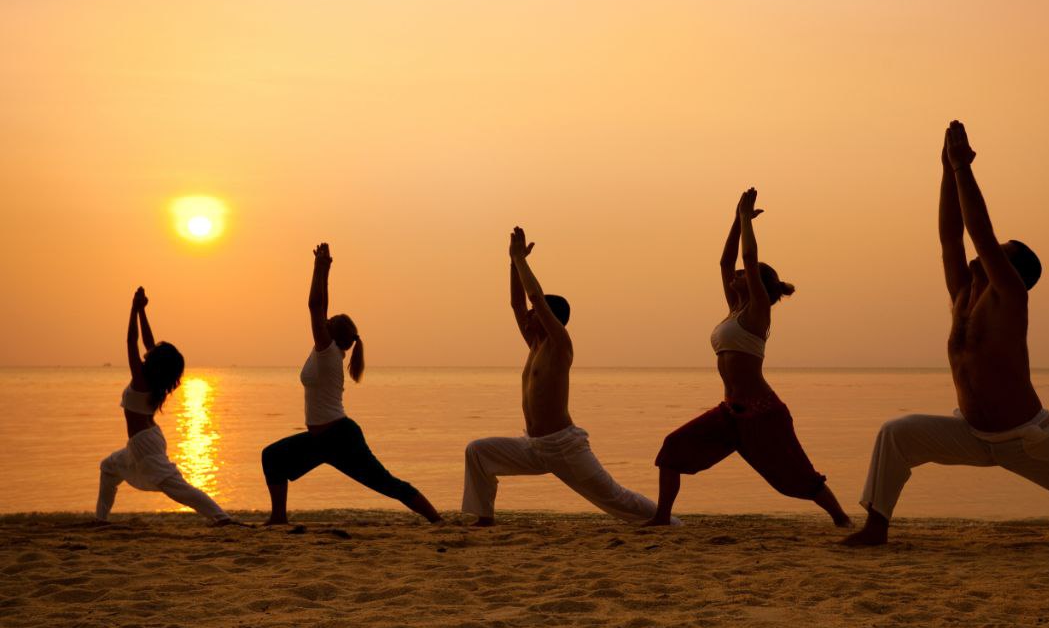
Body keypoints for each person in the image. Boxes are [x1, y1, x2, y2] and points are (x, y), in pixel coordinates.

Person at [842, 121, 1049, 546]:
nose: (981, 256)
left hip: (1027, 440)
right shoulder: (964, 295)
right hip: (972, 433)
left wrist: (964, 168)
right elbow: (950, 237)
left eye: (998, 256)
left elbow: (979, 235)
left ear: (1012, 274)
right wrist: (946, 171)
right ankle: (875, 529)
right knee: (897, 433)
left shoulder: (1009, 298)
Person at [643, 188, 853, 527]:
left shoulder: (757, 311)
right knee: (672, 450)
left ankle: (841, 518)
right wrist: (735, 221)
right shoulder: (733, 309)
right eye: (737, 275)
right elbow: (726, 262)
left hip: (763, 415)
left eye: (743, 275)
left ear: (758, 285)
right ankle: (662, 517)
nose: (736, 275)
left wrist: (746, 219)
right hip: (730, 414)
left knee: (797, 478)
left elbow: (749, 261)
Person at [461, 227, 667, 526]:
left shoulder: (559, 344)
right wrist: (511, 262)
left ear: (549, 318)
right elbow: (518, 304)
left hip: (563, 446)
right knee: (478, 451)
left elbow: (535, 299)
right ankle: (484, 519)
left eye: (535, 313)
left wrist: (521, 261)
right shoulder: (536, 344)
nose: (528, 316)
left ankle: (667, 521)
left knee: (615, 497)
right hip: (534, 446)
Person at [261, 243, 441, 525]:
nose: (324, 320)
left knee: (386, 483)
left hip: (340, 438)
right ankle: (278, 518)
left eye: (328, 322)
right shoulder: (328, 350)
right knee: (273, 457)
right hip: (322, 439)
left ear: (332, 333)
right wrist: (327, 270)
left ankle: (437, 520)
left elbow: (315, 306)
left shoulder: (327, 353)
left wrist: (317, 268)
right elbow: (323, 306)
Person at [96, 287, 235, 524]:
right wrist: (142, 311)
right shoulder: (153, 381)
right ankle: (100, 520)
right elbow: (149, 344)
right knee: (109, 468)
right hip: (141, 441)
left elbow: (132, 341)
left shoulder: (141, 380)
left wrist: (133, 307)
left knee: (177, 488)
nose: (150, 352)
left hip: (145, 444)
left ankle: (221, 517)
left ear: (156, 364)